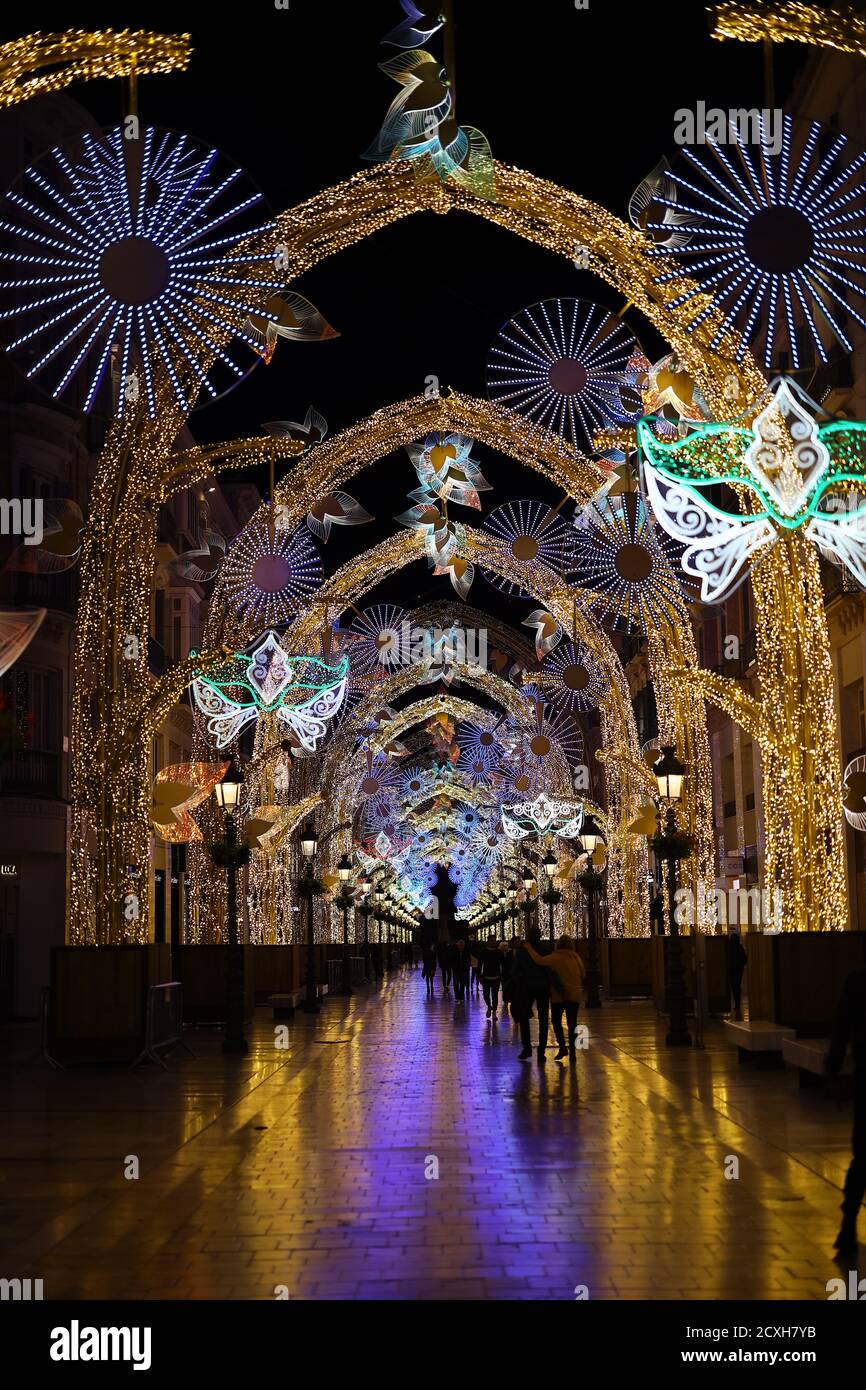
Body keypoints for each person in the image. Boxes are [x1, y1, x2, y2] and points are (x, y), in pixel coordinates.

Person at [826, 967, 866, 1257]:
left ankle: (848, 1224)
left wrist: (834, 1072)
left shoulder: (857, 979)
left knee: (863, 1157)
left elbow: (840, 1029)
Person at [523, 935, 585, 1059]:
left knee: (556, 1022)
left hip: (559, 996)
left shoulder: (555, 957)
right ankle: (573, 1051)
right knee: (572, 1023)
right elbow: (583, 974)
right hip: (575, 994)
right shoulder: (576, 957)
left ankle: (562, 1047)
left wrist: (529, 949)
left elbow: (539, 960)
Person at [510, 925, 553, 1063]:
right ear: (540, 935)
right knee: (544, 1019)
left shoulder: (522, 952)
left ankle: (527, 1047)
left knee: (524, 1017)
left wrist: (520, 983)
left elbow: (515, 971)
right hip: (543, 988)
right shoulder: (546, 950)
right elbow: (550, 970)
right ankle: (541, 1051)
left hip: (525, 988)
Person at [479, 934, 504, 1018]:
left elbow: (503, 965)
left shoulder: (499, 952)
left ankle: (494, 1012)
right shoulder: (483, 952)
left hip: (496, 977)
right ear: (488, 941)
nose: (493, 942)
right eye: (491, 940)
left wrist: (501, 976)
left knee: (495, 996)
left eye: (494, 940)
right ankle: (489, 1006)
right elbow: (480, 965)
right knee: (485, 995)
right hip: (486, 977)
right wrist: (480, 976)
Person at [727, 930, 747, 1017]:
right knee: (737, 986)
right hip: (738, 970)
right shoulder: (740, 947)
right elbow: (744, 959)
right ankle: (737, 1004)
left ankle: (735, 1003)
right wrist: (741, 966)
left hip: (731, 970)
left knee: (733, 986)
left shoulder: (729, 948)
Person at [451, 937, 471, 1001]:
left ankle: (461, 997)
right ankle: (457, 997)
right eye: (460, 946)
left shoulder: (466, 953)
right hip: (456, 970)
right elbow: (452, 960)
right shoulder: (454, 952)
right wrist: (454, 968)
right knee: (456, 984)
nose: (461, 947)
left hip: (464, 970)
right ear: (458, 946)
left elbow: (468, 962)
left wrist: (467, 969)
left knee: (462, 984)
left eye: (462, 946)